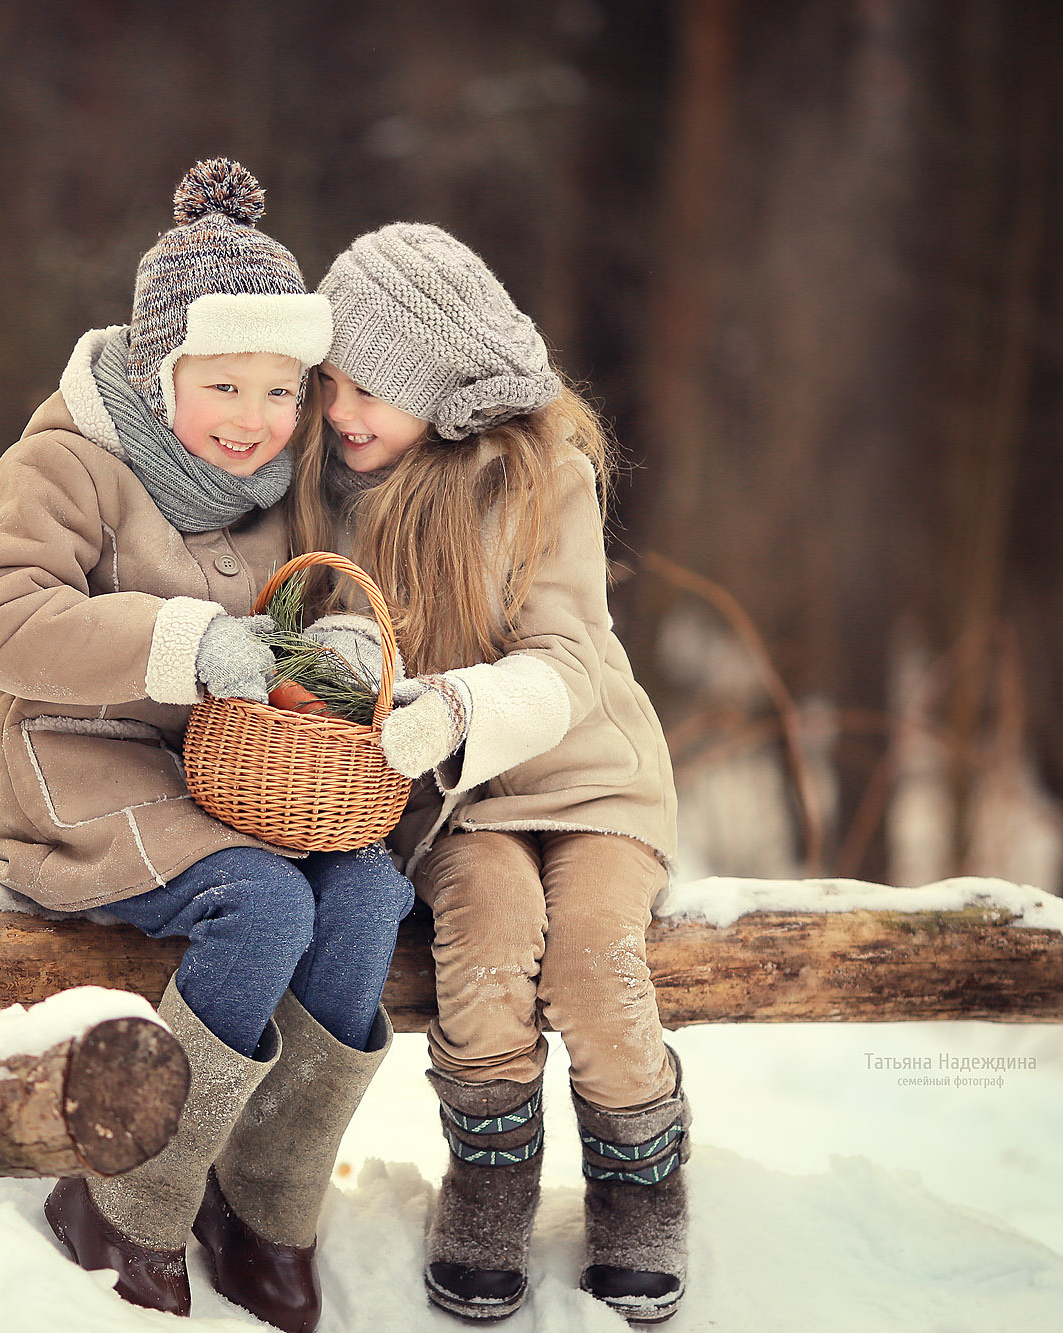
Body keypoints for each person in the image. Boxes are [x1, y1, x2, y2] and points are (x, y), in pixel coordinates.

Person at [0, 160, 414, 1333]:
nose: (253, 417)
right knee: (263, 904)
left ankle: (263, 1198)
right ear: (161, 374)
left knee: (368, 891)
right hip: (85, 778)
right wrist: (179, 642)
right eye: (223, 385)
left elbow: (309, 608)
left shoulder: (280, 488)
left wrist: (336, 653)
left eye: (279, 390)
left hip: (230, 782)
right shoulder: (64, 464)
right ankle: (127, 1197)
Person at [289, 222, 690, 1325]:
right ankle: (491, 1171)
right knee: (487, 938)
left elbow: (565, 657)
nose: (341, 410)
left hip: (591, 780)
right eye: (331, 383)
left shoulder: (542, 477)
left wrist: (461, 707)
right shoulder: (335, 488)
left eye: (369, 388)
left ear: (437, 384)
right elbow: (336, 630)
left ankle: (640, 1179)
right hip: (457, 803)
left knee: (593, 957)